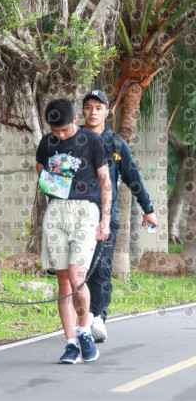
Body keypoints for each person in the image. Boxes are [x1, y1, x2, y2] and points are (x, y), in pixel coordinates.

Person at [36, 98, 112, 364]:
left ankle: (84, 331)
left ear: (75, 122)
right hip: (57, 211)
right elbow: (41, 173)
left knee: (78, 277)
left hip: (86, 212)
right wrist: (52, 181)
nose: (60, 135)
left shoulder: (92, 141)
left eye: (65, 130)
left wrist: (105, 219)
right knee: (63, 281)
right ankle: (70, 343)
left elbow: (105, 181)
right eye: (55, 131)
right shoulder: (47, 143)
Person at [82, 89, 158, 342]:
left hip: (106, 216)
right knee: (78, 270)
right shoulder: (73, 139)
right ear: (84, 110)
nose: (93, 112)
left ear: (107, 112)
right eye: (89, 107)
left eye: (98, 108)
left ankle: (98, 318)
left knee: (102, 268)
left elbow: (132, 178)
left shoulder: (116, 144)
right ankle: (82, 320)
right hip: (75, 217)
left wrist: (148, 210)